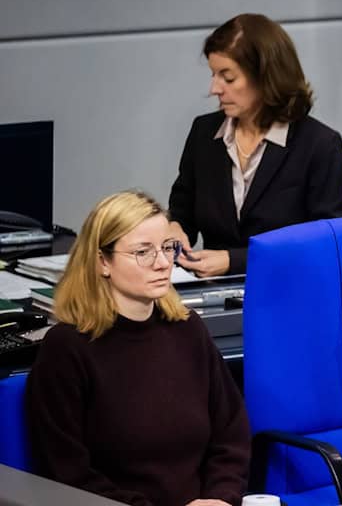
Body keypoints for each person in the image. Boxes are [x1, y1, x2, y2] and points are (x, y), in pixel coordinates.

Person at [26, 191, 251, 506]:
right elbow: (68, 475)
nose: (162, 263)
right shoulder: (67, 349)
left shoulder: (188, 330)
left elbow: (231, 435)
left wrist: (220, 497)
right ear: (102, 261)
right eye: (143, 252)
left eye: (167, 248)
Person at [168, 13, 342, 277]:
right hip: (213, 291)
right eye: (213, 75)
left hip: (287, 285)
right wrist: (174, 228)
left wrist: (234, 261)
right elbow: (183, 207)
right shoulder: (204, 132)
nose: (214, 89)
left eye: (227, 78)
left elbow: (323, 244)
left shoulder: (319, 145)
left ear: (266, 78)